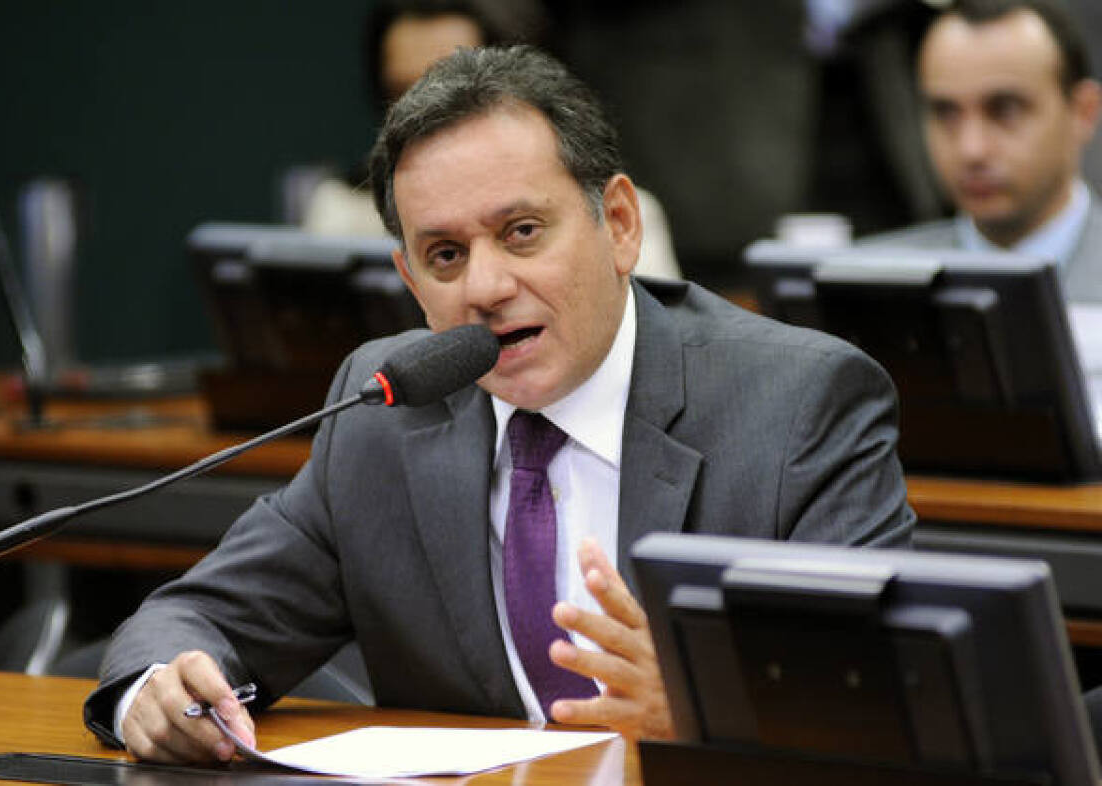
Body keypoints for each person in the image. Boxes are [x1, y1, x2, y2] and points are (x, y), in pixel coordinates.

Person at [84, 46, 914, 765]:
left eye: (521, 232)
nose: (484, 287)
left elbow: (892, 710)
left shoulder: (796, 405)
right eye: (446, 255)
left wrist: (710, 716)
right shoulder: (384, 409)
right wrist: (156, 692)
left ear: (620, 224)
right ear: (410, 282)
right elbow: (194, 621)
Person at [293, 0, 683, 280]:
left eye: (524, 231)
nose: (421, 116)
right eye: (401, 92)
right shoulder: (342, 210)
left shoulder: (610, 211)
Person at [865, 0, 1102, 302]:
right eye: (946, 113)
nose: (971, 149)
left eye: (1005, 110)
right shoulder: (869, 283)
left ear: (1083, 112)